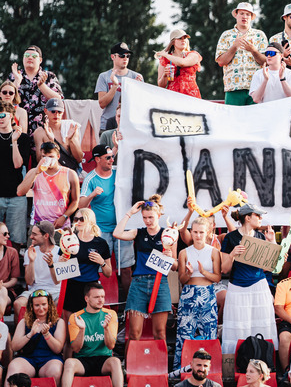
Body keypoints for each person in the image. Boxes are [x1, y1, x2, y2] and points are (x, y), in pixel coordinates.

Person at [113, 196, 177, 342]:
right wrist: (129, 213)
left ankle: (159, 363)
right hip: (139, 283)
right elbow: (117, 234)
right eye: (144, 217)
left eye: (151, 217)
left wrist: (169, 257)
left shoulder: (168, 234)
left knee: (160, 333)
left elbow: (175, 267)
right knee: (134, 333)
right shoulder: (139, 232)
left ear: (159, 216)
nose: (148, 221)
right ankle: (131, 363)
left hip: (159, 283)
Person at [220, 203, 277, 354]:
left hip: (259, 286)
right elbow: (224, 269)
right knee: (238, 326)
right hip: (237, 287)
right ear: (248, 217)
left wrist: (272, 242)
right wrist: (232, 254)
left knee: (261, 325)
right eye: (257, 216)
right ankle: (237, 361)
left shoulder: (261, 236)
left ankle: (263, 358)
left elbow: (270, 267)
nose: (261, 219)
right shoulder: (231, 238)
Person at [59, 282, 123, 387]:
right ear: (87, 299)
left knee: (116, 362)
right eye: (96, 297)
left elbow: (111, 346)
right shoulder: (76, 317)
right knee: (69, 363)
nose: (101, 300)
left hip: (103, 359)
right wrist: (82, 330)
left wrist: (106, 329)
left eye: (103, 297)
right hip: (83, 359)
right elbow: (76, 348)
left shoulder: (110, 314)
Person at [80, 143, 133, 290]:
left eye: (112, 157)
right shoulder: (91, 179)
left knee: (127, 269)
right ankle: (101, 303)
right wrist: (92, 195)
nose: (111, 160)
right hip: (101, 231)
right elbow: (80, 205)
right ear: (97, 159)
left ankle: (128, 306)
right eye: (108, 157)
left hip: (122, 228)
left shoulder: (118, 172)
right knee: (101, 270)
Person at [175, 217, 221, 371]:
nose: (198, 235)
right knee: (184, 333)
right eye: (195, 232)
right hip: (189, 294)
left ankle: (209, 370)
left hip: (207, 294)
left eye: (201, 232)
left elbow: (217, 277)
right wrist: (189, 274)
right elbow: (182, 279)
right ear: (191, 232)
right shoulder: (184, 252)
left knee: (209, 333)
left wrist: (203, 272)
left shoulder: (214, 252)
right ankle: (180, 370)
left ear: (207, 232)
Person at [17, 141, 79, 231]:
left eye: (51, 157)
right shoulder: (34, 172)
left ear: (58, 157)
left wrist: (64, 217)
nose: (47, 159)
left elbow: (76, 201)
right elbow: (20, 192)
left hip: (60, 226)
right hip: (38, 225)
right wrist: (36, 172)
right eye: (44, 156)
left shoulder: (70, 174)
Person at [215, 1, 268, 105]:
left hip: (256, 88)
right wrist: (234, 46)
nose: (245, 17)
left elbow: (266, 61)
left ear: (251, 17)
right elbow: (221, 61)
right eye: (242, 13)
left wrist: (253, 50)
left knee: (256, 120)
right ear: (236, 15)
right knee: (232, 120)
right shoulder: (226, 35)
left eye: (248, 14)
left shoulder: (259, 35)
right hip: (233, 88)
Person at [7, 289, 66, 381]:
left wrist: (47, 334)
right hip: (28, 359)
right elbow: (14, 347)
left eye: (44, 304)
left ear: (49, 305)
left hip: (50, 359)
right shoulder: (24, 322)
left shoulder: (58, 322)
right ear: (32, 307)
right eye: (37, 305)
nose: (41, 308)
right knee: (13, 367)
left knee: (55, 370)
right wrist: (30, 334)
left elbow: (58, 349)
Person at [10, 45, 64, 136]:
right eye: (27, 55)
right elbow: (5, 101)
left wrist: (41, 86)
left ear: (40, 60)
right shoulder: (14, 76)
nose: (30, 58)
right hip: (17, 130)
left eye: (34, 56)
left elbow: (58, 100)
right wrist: (16, 82)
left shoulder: (49, 76)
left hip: (42, 131)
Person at [0, 101, 31, 250]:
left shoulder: (23, 138)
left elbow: (18, 164)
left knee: (17, 239)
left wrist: (14, 142)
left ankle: (15, 270)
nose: (0, 118)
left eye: (2, 115)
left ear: (11, 116)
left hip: (16, 195)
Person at [95, 42, 142, 131]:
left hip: (130, 126)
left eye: (127, 56)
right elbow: (102, 104)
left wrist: (135, 88)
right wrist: (115, 86)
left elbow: (140, 105)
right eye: (121, 55)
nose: (125, 58)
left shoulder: (136, 77)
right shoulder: (104, 76)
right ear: (113, 57)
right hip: (107, 126)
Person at [155, 29, 202, 98]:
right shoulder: (164, 59)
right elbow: (161, 86)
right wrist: (165, 75)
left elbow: (182, 63)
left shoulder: (193, 55)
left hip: (192, 97)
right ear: (173, 42)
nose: (183, 40)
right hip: (173, 97)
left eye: (185, 38)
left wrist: (166, 55)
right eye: (180, 38)